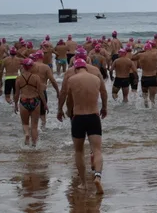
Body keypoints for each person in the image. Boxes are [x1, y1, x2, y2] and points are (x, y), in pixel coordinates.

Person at [56, 59, 108, 194]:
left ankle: (84, 183)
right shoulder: (96, 78)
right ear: (86, 67)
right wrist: (104, 108)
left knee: (79, 151)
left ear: (75, 68)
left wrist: (60, 110)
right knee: (97, 150)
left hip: (78, 117)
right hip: (93, 117)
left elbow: (64, 95)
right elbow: (104, 93)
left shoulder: (71, 79)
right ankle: (98, 176)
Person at [14, 58, 45, 147]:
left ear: (23, 67)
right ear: (31, 67)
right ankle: (34, 145)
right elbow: (40, 92)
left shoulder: (19, 78)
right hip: (35, 100)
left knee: (25, 123)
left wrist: (15, 104)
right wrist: (45, 104)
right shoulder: (36, 77)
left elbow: (16, 94)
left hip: (23, 101)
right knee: (34, 126)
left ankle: (27, 134)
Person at [135, 43, 157, 109]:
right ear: (151, 48)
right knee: (152, 97)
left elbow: (132, 58)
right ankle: (152, 110)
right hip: (153, 77)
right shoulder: (156, 54)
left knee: (145, 96)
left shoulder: (140, 55)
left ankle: (146, 107)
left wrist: (139, 51)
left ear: (144, 49)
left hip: (144, 77)